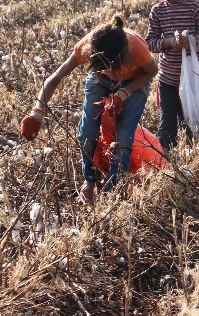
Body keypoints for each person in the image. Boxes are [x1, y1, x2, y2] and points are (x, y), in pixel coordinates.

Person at [19, 15, 158, 204]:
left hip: (134, 83)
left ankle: (113, 192)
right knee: (87, 133)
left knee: (123, 137)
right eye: (107, 66)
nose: (113, 70)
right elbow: (55, 78)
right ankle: (90, 182)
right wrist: (37, 112)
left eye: (116, 66)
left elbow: (152, 71)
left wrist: (125, 92)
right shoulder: (87, 47)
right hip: (99, 80)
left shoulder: (136, 47)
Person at [145, 0, 199, 151]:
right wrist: (168, 42)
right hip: (167, 79)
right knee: (167, 124)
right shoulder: (157, 11)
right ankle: (166, 159)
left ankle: (190, 159)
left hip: (191, 79)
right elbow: (150, 43)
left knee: (190, 121)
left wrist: (190, 41)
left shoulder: (195, 7)